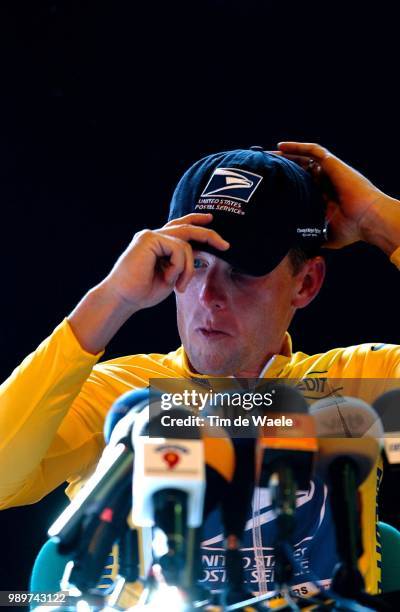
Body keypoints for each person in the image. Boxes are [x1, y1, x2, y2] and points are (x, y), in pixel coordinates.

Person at [1, 142, 400, 599]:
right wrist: (111, 299)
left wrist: (380, 219)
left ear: (306, 283)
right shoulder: (120, 397)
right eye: (195, 263)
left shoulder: (362, 383)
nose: (209, 295)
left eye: (242, 272)